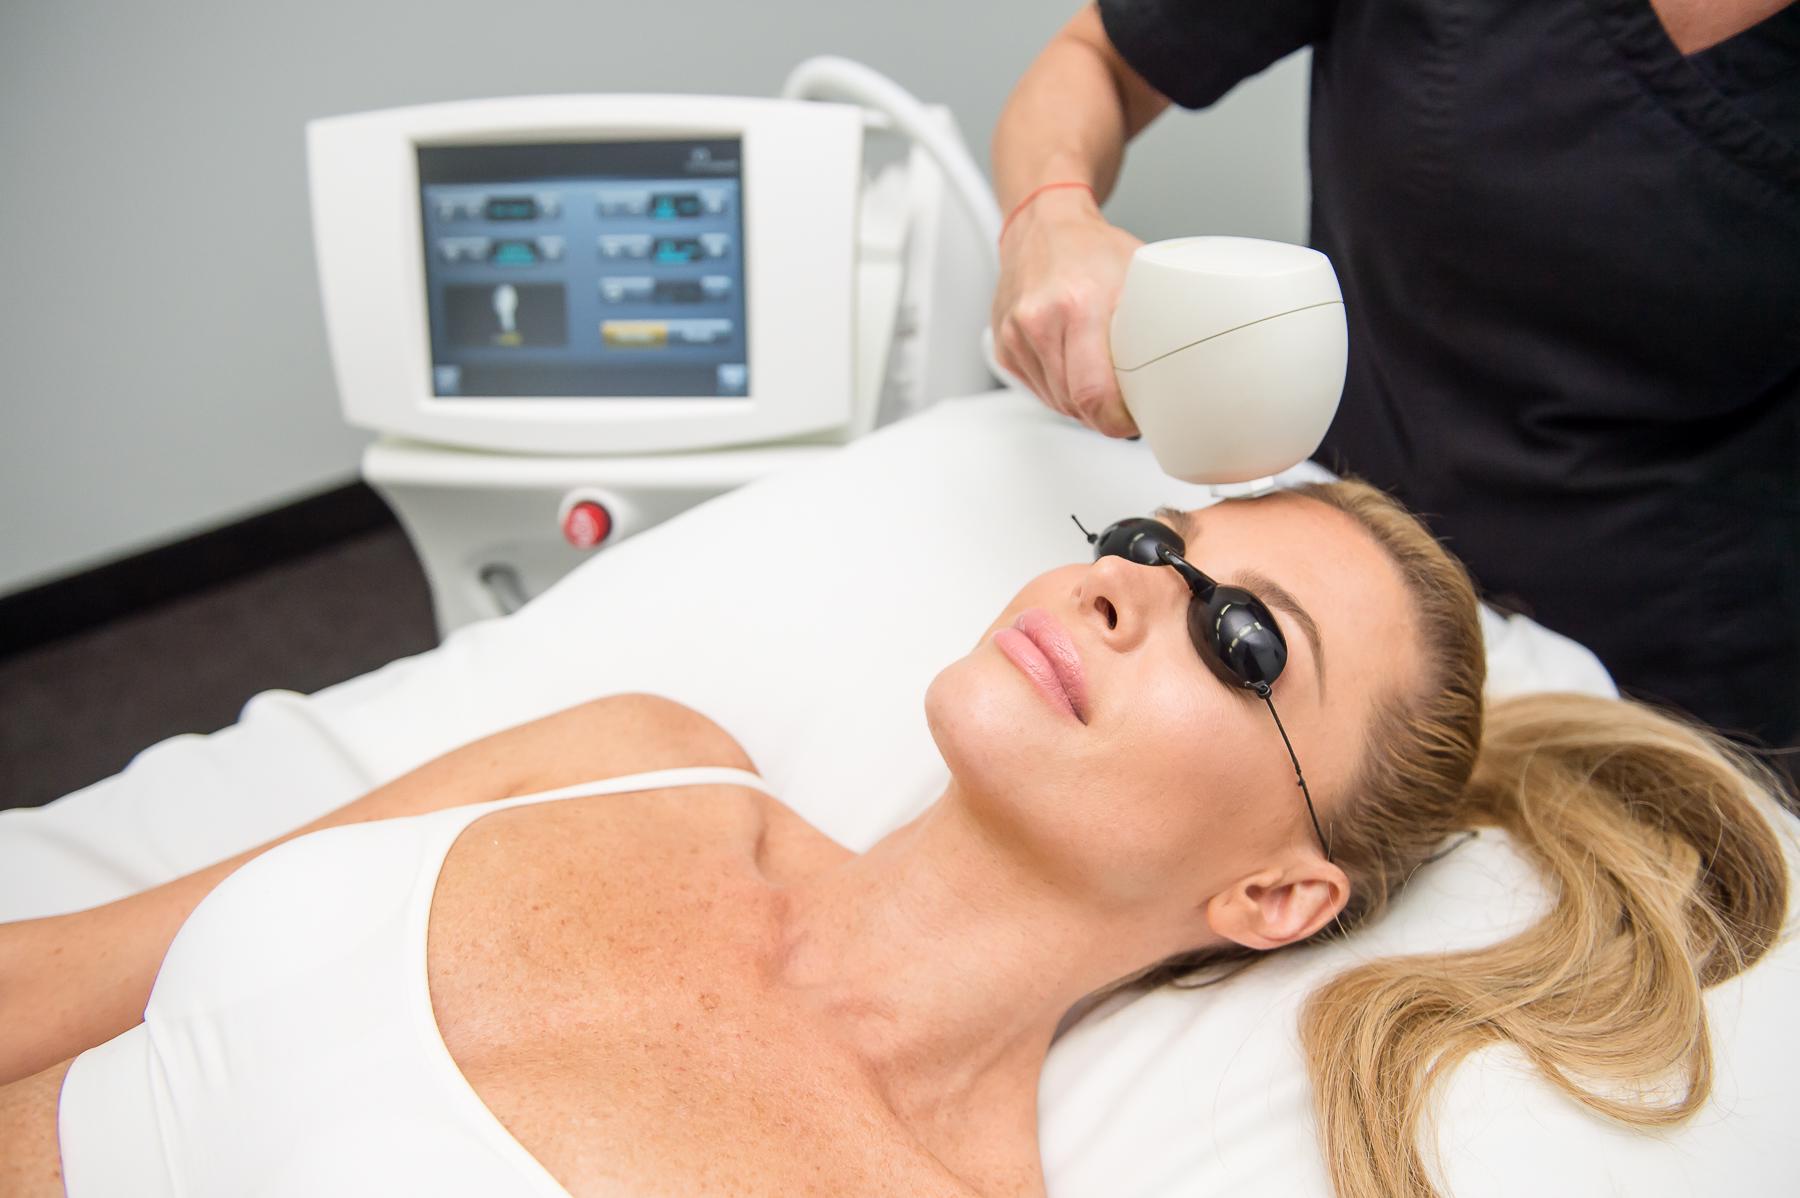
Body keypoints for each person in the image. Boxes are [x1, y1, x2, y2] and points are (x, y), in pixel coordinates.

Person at [0, 482, 1790, 1198]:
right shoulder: (638, 759)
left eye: (1243, 638)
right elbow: (59, 975)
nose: (1128, 590)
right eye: (1149, 543)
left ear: (1274, 891)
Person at [989, 1, 1800, 750]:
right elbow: (1098, 59)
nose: (1111, 589)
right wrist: (1050, 219)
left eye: (1243, 644)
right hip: (1343, 534)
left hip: (1672, 680)